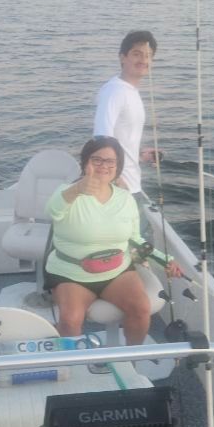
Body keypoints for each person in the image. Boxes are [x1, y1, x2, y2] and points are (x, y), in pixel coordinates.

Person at [44, 137, 178, 342]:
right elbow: (52, 211)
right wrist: (78, 189)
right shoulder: (66, 192)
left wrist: (164, 259)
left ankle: (130, 362)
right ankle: (72, 368)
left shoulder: (126, 199)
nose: (104, 166)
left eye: (110, 161)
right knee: (70, 320)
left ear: (118, 166)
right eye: (97, 160)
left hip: (117, 271)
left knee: (141, 309)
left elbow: (135, 238)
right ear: (85, 162)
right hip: (71, 273)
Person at [92, 30, 158, 221]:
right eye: (137, 54)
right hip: (121, 188)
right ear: (123, 57)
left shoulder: (130, 91)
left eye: (148, 56)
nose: (143, 60)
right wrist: (117, 182)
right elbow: (101, 139)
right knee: (138, 245)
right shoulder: (115, 91)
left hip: (130, 183)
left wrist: (139, 155)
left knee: (136, 246)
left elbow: (118, 138)